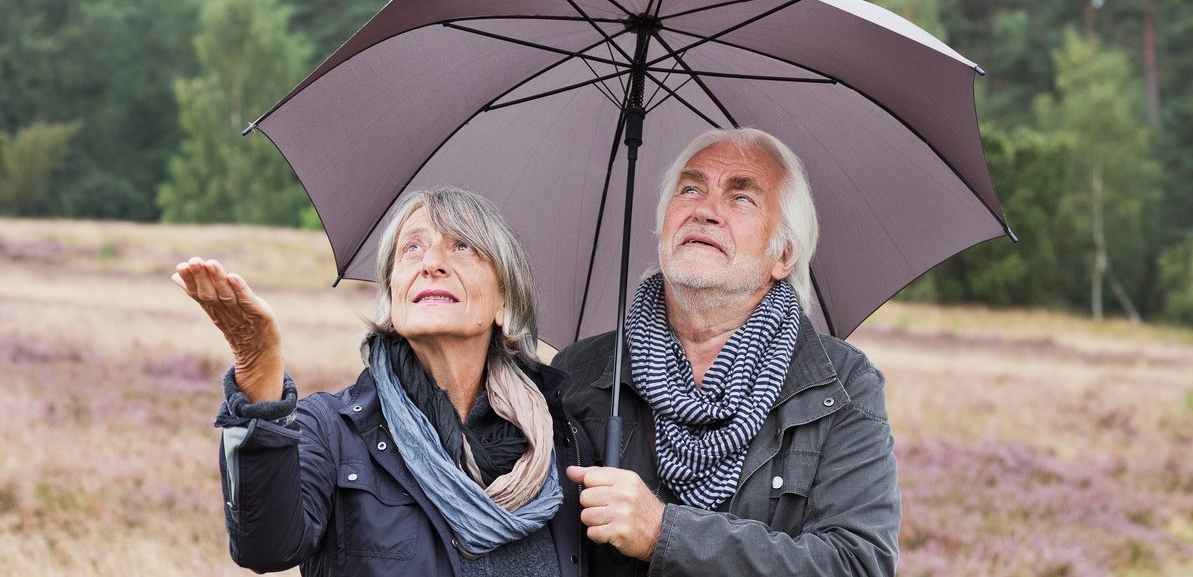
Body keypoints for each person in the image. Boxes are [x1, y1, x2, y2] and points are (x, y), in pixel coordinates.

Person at [173, 187, 591, 577]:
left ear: (504, 300)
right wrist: (258, 367)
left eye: (461, 245)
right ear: (393, 296)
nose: (431, 263)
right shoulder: (331, 431)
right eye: (412, 248)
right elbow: (265, 546)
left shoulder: (564, 442)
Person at [554, 128, 901, 576]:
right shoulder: (577, 374)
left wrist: (664, 534)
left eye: (741, 198)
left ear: (784, 255)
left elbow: (858, 564)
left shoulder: (841, 385)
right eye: (691, 188)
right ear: (662, 229)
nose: (705, 210)